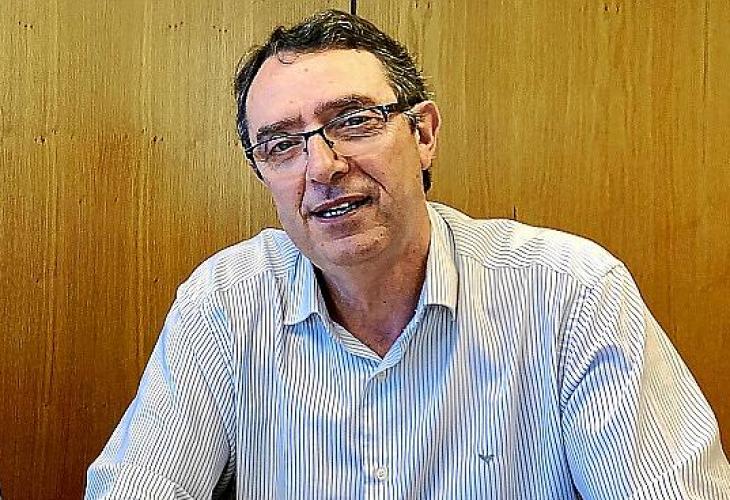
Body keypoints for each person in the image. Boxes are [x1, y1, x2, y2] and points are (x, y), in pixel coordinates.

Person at [86, 9, 730, 499]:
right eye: (282, 145)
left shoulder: (571, 292)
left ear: (423, 134)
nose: (322, 167)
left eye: (354, 122)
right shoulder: (226, 301)